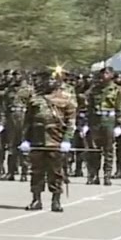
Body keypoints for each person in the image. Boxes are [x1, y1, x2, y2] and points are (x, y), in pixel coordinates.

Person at [20, 70, 77, 212]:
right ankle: (36, 199)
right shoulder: (35, 99)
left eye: (52, 80)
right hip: (37, 140)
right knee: (36, 171)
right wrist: (25, 140)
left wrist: (67, 140)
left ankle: (56, 200)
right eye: (47, 80)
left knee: (55, 172)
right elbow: (27, 121)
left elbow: (71, 122)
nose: (49, 82)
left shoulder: (66, 98)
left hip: (55, 140)